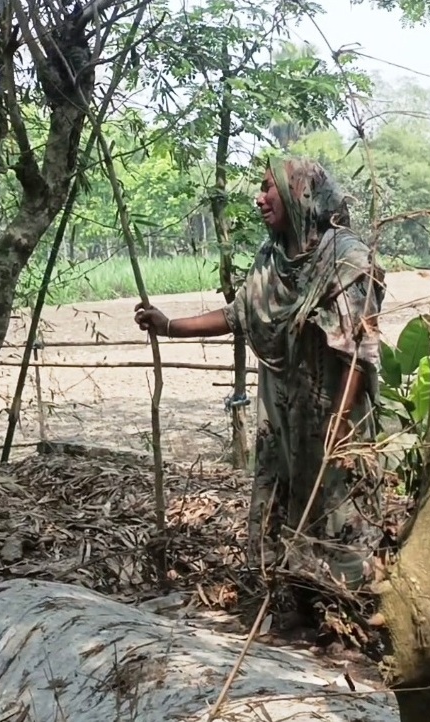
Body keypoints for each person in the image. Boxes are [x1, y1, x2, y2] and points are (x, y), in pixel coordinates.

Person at [133, 156, 387, 600]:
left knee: (333, 502)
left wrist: (340, 422)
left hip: (329, 405)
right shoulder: (271, 257)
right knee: (281, 496)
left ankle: (344, 601)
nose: (260, 197)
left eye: (269, 188)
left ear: (300, 194)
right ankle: (289, 594)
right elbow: (238, 314)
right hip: (280, 405)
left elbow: (358, 349)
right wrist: (169, 325)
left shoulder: (346, 258)